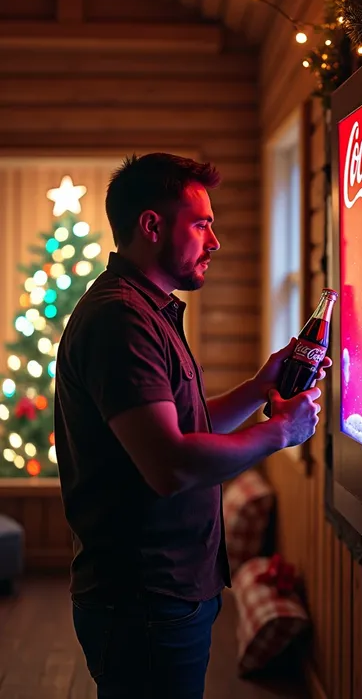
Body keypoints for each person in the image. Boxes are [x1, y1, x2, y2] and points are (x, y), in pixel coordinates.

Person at [54, 152, 332, 699]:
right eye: (202, 223)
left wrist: (259, 389)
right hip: (145, 599)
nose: (216, 240)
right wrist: (281, 432)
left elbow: (188, 425)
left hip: (163, 595)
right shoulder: (121, 319)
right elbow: (171, 465)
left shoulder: (146, 310)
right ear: (152, 225)